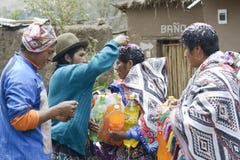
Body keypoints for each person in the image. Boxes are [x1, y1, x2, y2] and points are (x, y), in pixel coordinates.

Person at [0, 18, 78, 160]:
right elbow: (20, 119)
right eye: (49, 52)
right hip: (22, 154)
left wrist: (52, 115)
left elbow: (29, 109)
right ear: (35, 49)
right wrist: (56, 110)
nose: (50, 58)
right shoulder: (21, 75)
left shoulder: (27, 68)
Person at [48, 32, 129, 159]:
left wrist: (84, 119)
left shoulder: (66, 76)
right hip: (63, 144)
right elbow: (95, 66)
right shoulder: (66, 73)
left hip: (66, 143)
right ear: (68, 58)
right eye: (81, 55)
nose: (85, 59)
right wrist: (114, 43)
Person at [165, 22, 240, 160]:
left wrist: (170, 114)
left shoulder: (213, 78)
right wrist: (182, 105)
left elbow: (198, 122)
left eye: (186, 49)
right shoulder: (220, 69)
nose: (185, 54)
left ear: (198, 50)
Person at [91, 43, 168, 159]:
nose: (116, 68)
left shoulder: (146, 89)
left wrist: (126, 134)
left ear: (130, 64)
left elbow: (153, 120)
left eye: (118, 63)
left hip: (141, 152)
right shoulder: (120, 87)